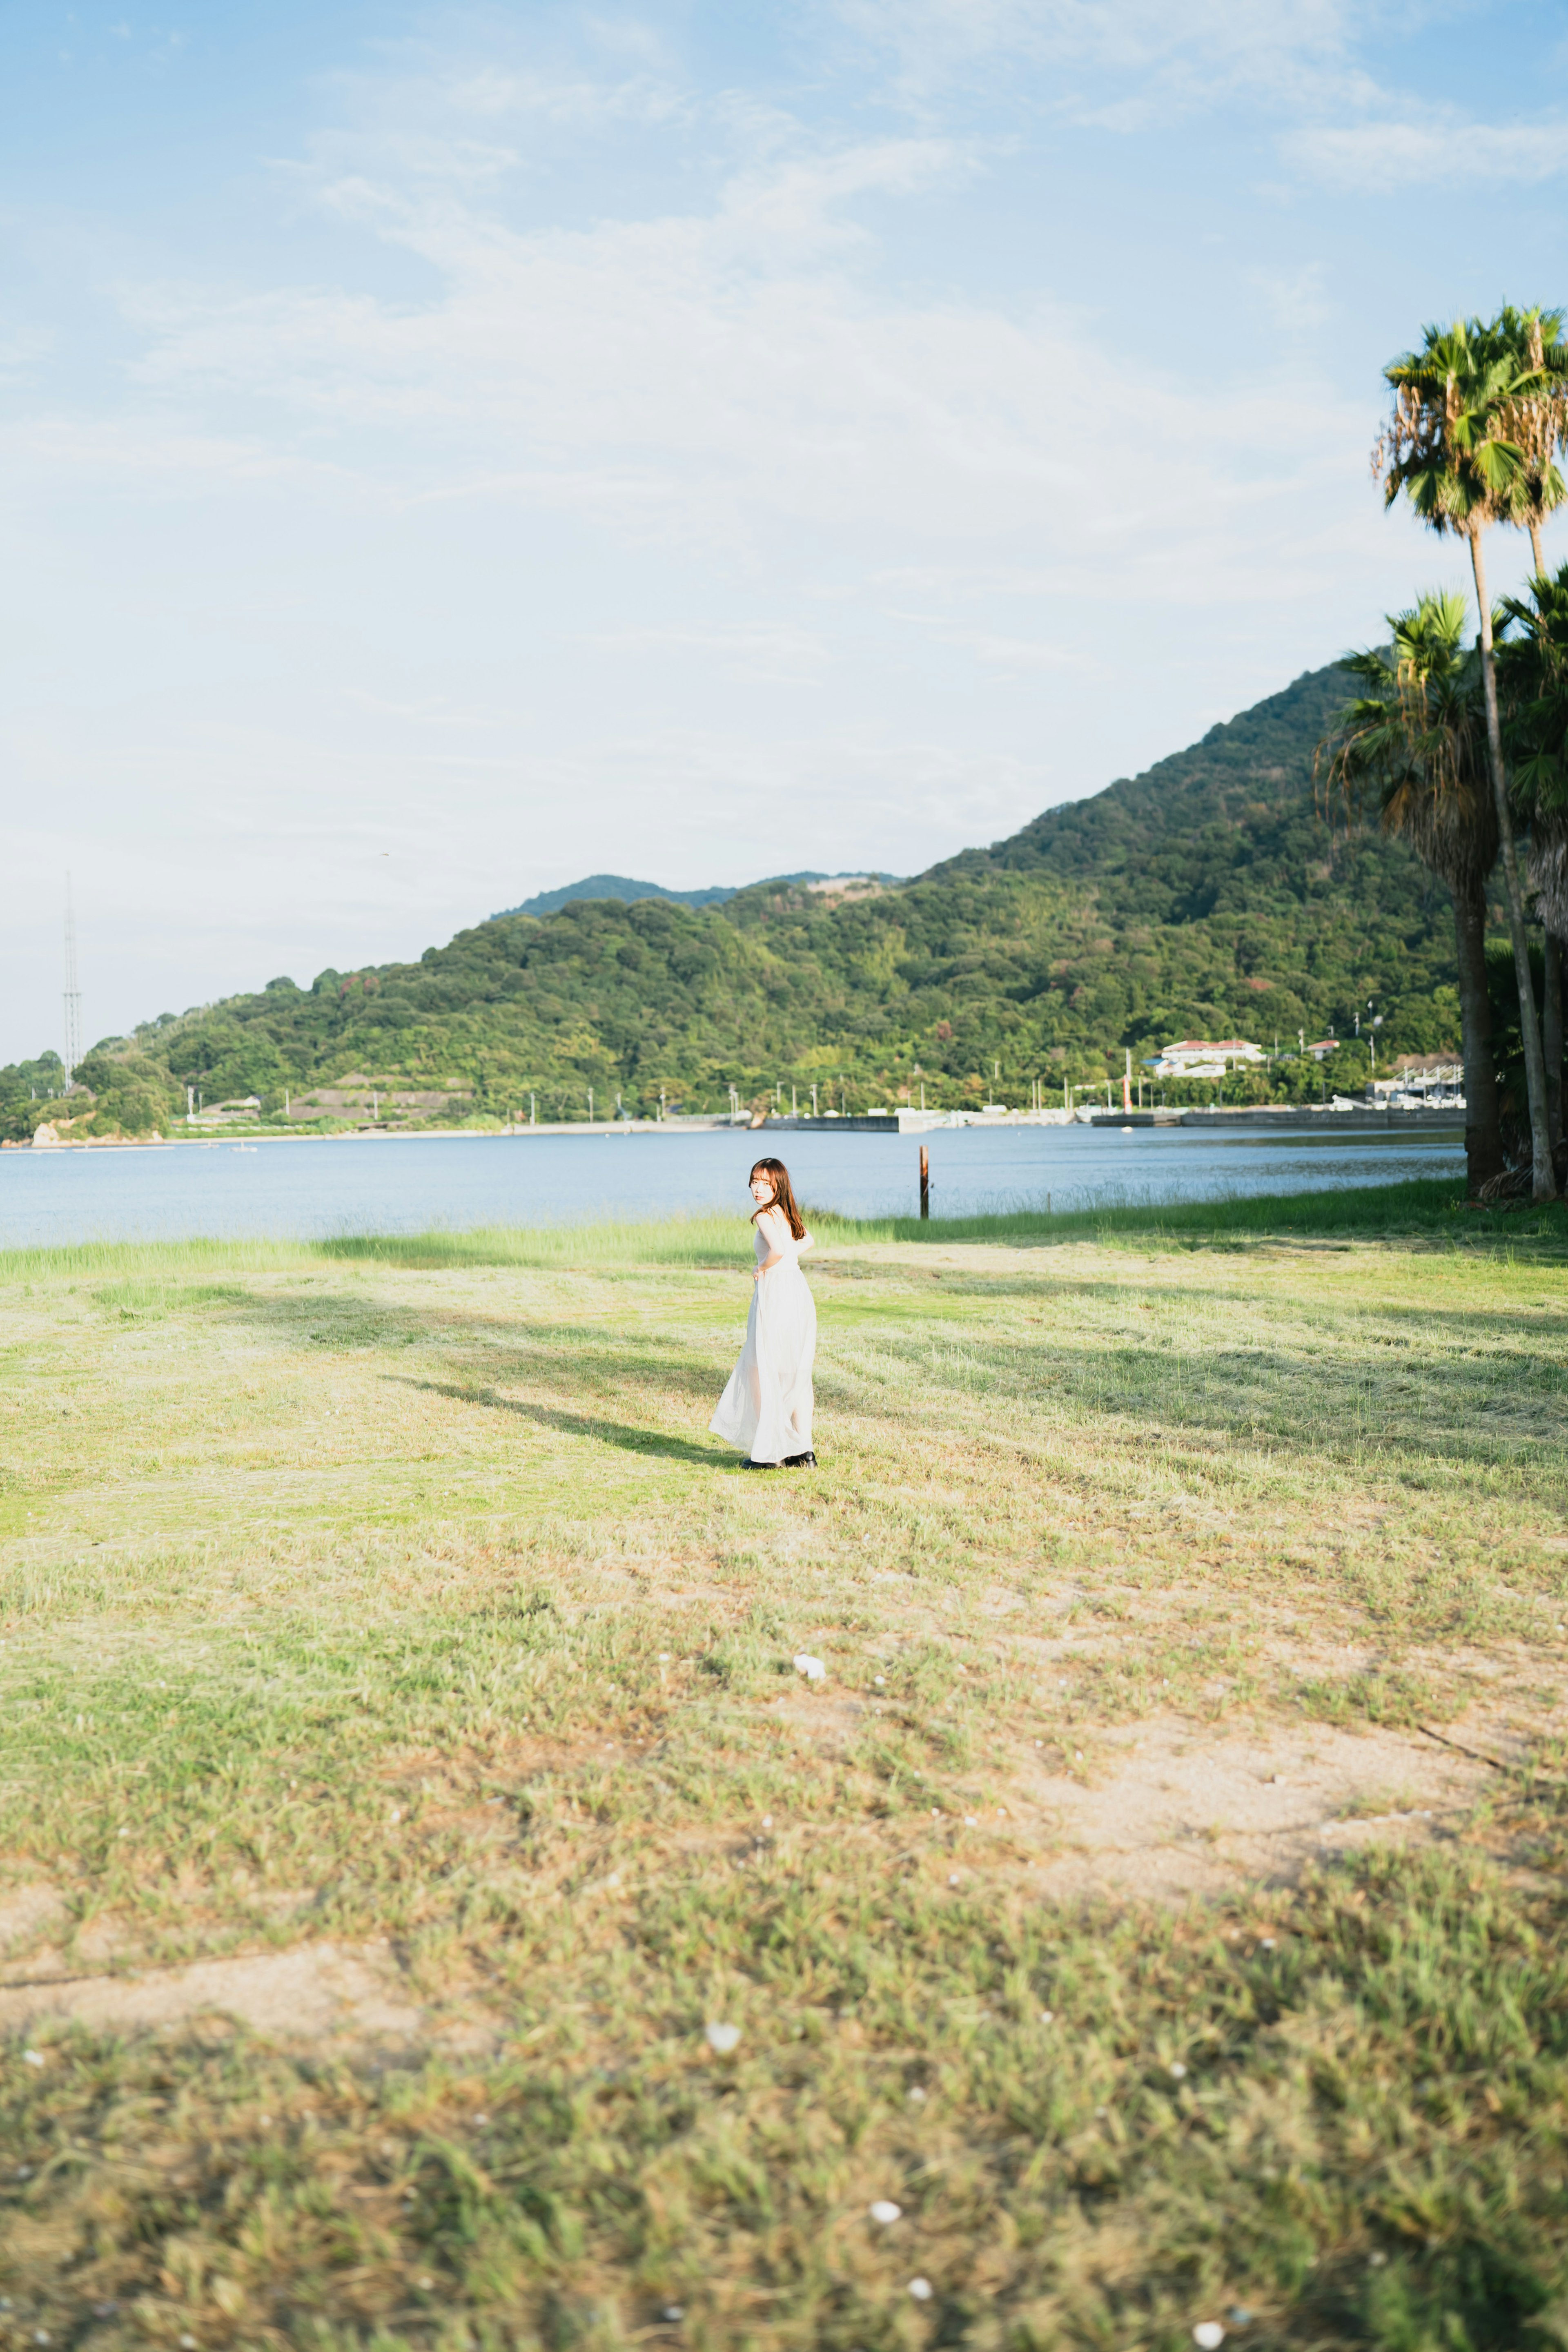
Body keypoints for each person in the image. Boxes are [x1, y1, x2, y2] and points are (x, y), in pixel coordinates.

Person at [710, 1157, 817, 1468]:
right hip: (797, 1291)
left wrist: (763, 1267)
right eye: (755, 1181)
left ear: (777, 1185)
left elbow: (779, 1250)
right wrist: (782, 1263)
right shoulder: (786, 1212)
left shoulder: (764, 1216)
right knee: (795, 1370)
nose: (758, 1188)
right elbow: (807, 1241)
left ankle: (770, 1453)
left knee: (761, 1368)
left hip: (776, 1294)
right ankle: (804, 1452)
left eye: (765, 1183)